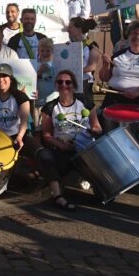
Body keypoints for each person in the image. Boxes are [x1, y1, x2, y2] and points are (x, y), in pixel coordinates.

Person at [38, 69, 103, 210]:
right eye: (60, 82)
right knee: (45, 156)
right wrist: (62, 146)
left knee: (104, 194)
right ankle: (57, 195)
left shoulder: (85, 102)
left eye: (68, 82)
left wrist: (95, 131)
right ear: (56, 85)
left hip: (85, 150)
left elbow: (97, 126)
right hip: (63, 150)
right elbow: (47, 135)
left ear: (74, 85)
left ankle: (98, 185)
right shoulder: (50, 107)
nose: (64, 85)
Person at [98, 20, 139, 132]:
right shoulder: (118, 55)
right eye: (134, 34)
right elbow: (104, 77)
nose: (137, 37)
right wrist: (105, 65)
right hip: (115, 101)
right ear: (129, 35)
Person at [68, 17, 100, 107]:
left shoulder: (92, 45)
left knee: (85, 109)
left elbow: (92, 66)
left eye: (71, 27)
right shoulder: (69, 44)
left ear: (79, 29)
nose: (68, 29)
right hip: (71, 82)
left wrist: (75, 71)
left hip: (84, 83)